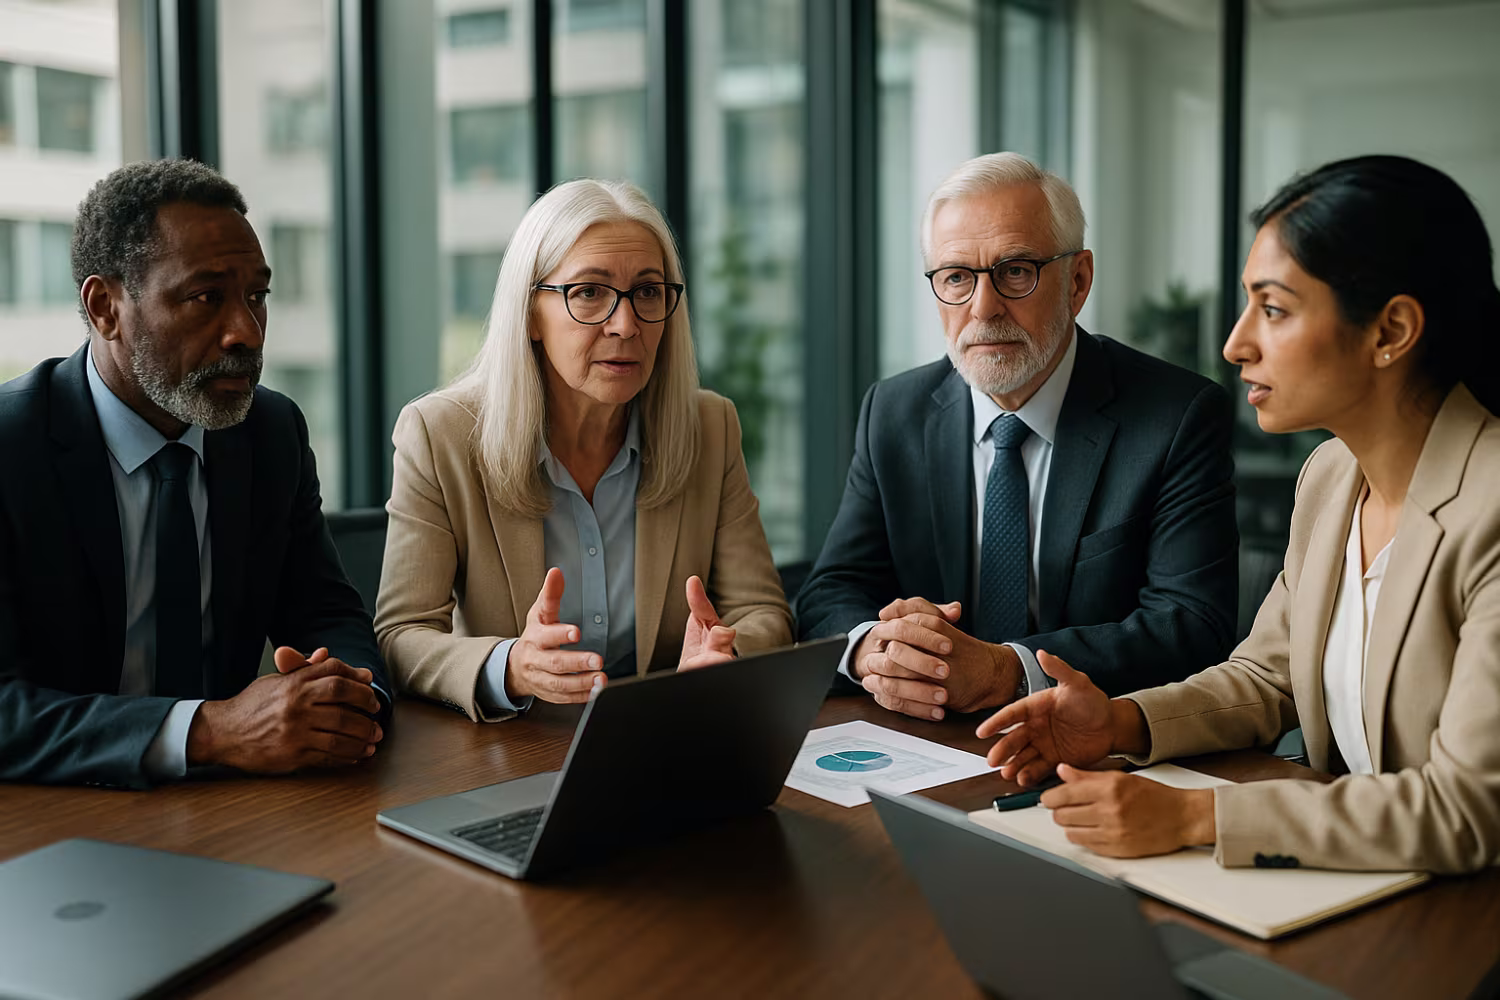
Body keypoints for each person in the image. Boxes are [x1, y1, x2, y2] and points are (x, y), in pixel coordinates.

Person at [979, 155, 1500, 874]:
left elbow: (1466, 808)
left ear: (1391, 331)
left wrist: (1196, 815)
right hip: (1356, 880)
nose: (1235, 344)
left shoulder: (1491, 506)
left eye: (1275, 308)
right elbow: (1270, 677)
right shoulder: (1331, 476)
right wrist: (1118, 722)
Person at [795, 152, 1238, 722]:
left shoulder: (1175, 416)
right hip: (927, 739)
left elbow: (1193, 625)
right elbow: (832, 588)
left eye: (1015, 271)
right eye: (956, 277)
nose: (983, 308)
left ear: (1077, 282)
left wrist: (1007, 670)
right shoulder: (894, 412)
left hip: (1097, 745)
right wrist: (876, 652)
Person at [0, 159, 391, 789]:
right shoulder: (12, 448)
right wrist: (210, 730)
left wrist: (343, 700)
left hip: (229, 807)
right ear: (106, 308)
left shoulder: (270, 432)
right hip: (54, 822)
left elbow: (328, 616)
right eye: (205, 297)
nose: (245, 330)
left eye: (257, 295)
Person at [377, 179, 792, 720]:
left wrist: (725, 654)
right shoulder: (440, 435)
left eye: (647, 292)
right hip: (512, 750)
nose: (625, 325)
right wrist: (510, 666)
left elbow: (763, 612)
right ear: (529, 313)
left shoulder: (709, 426)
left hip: (663, 740)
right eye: (589, 292)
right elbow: (401, 635)